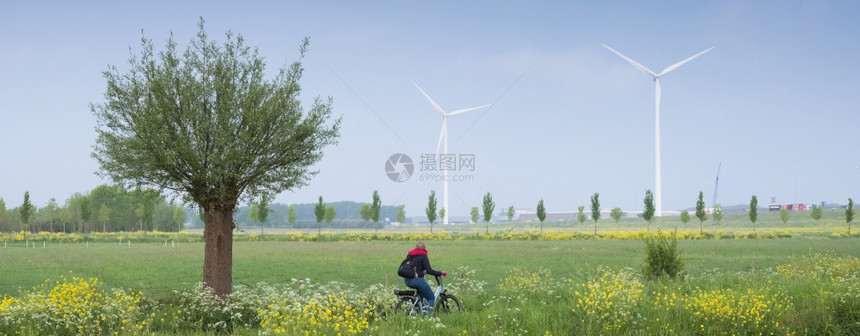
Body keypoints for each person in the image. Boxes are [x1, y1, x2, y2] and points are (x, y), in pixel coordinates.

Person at [403, 241, 447, 313]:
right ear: (424, 248)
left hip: (407, 280)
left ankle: (421, 311)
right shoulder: (423, 256)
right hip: (417, 281)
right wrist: (441, 273)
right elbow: (429, 270)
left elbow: (413, 266)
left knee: (421, 297)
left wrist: (422, 271)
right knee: (431, 298)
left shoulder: (410, 254)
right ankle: (426, 317)